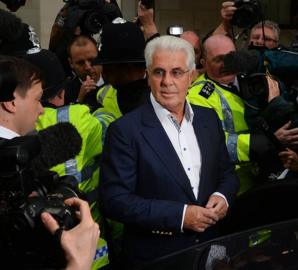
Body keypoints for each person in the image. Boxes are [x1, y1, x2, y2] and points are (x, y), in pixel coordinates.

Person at [99, 35, 239, 268]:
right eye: (158, 72)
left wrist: (223, 196)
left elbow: (227, 174)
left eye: (176, 72)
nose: (167, 81)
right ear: (147, 76)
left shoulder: (208, 118)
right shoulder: (125, 131)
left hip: (211, 251)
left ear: (192, 76)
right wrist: (181, 216)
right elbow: (115, 201)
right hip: (157, 258)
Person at [187, 34, 298, 193]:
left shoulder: (251, 79)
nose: (227, 64)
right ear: (203, 63)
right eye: (218, 59)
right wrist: (269, 141)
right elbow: (211, 144)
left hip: (267, 174)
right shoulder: (197, 97)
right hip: (232, 186)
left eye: (231, 57)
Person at [25, 49, 108, 269]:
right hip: (90, 249)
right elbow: (113, 128)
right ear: (62, 91)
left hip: (35, 244)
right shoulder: (80, 117)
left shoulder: (17, 124)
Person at [212, 1, 280, 50]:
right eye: (255, 37)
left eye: (267, 39)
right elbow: (213, 45)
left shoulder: (284, 64)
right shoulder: (242, 61)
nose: (259, 41)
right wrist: (225, 23)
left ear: (277, 44)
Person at [64, 35, 104, 110]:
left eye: (91, 60)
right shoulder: (65, 92)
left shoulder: (115, 82)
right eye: (80, 63)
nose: (88, 67)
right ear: (71, 63)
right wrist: (79, 101)